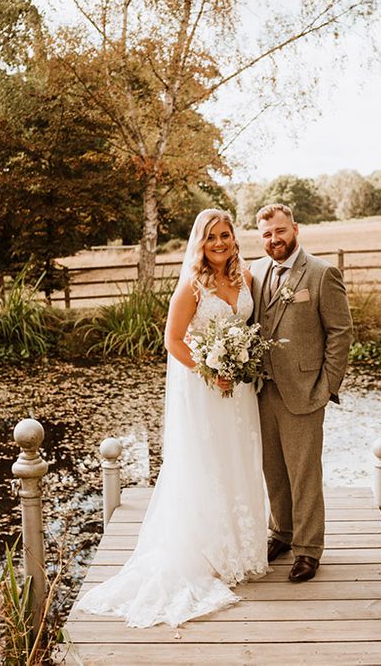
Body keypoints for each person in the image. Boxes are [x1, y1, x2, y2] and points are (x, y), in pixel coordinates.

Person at [75, 208, 268, 628]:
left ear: (235, 239)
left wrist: (240, 364)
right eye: (211, 237)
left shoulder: (246, 278)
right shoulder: (191, 287)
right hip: (206, 389)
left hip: (239, 393)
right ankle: (207, 550)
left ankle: (241, 546)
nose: (220, 243)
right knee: (207, 464)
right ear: (200, 243)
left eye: (226, 236)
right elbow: (172, 340)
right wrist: (210, 369)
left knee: (239, 459)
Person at [249, 203, 352, 582]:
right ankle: (282, 532)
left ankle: (308, 550)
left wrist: (328, 386)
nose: (274, 239)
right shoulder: (255, 272)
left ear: (295, 228)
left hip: (305, 390)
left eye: (279, 231)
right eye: (266, 234)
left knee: (304, 473)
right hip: (260, 389)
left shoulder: (323, 273)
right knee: (272, 470)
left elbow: (341, 333)